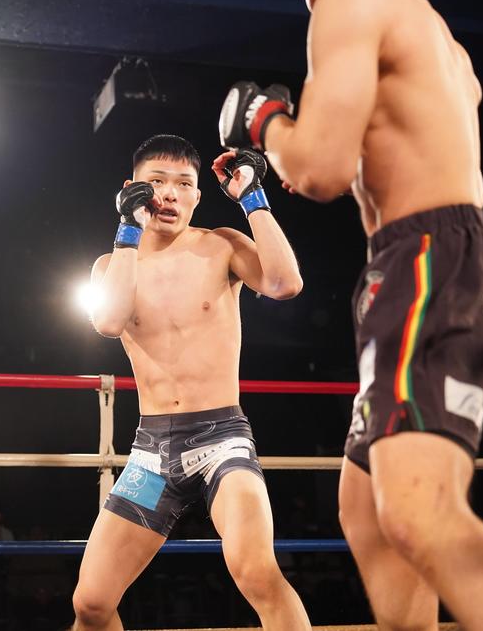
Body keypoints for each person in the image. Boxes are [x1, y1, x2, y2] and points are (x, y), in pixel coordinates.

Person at [216, 0, 483, 629]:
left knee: (421, 512)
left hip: (425, 265)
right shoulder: (430, 28)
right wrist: (304, 144)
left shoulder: (349, 5)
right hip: (430, 262)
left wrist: (263, 122)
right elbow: (381, 151)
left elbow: (319, 169)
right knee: (367, 509)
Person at [71, 134, 310, 631]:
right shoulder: (112, 265)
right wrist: (127, 230)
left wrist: (252, 197)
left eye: (183, 184)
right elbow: (109, 322)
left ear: (198, 195)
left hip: (222, 442)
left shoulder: (221, 245)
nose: (170, 193)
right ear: (132, 190)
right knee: (91, 603)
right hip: (151, 454)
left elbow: (285, 283)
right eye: (157, 182)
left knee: (257, 572)